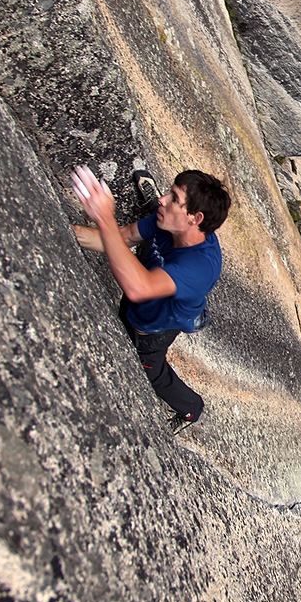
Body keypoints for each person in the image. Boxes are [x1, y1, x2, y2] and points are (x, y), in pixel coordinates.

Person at [71, 165, 230, 434]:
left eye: (173, 199)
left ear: (195, 218)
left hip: (154, 329)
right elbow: (119, 238)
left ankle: (191, 409)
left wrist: (104, 217)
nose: (162, 201)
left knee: (151, 371)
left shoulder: (200, 267)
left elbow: (138, 287)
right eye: (168, 193)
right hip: (140, 301)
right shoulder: (163, 221)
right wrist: (55, 226)